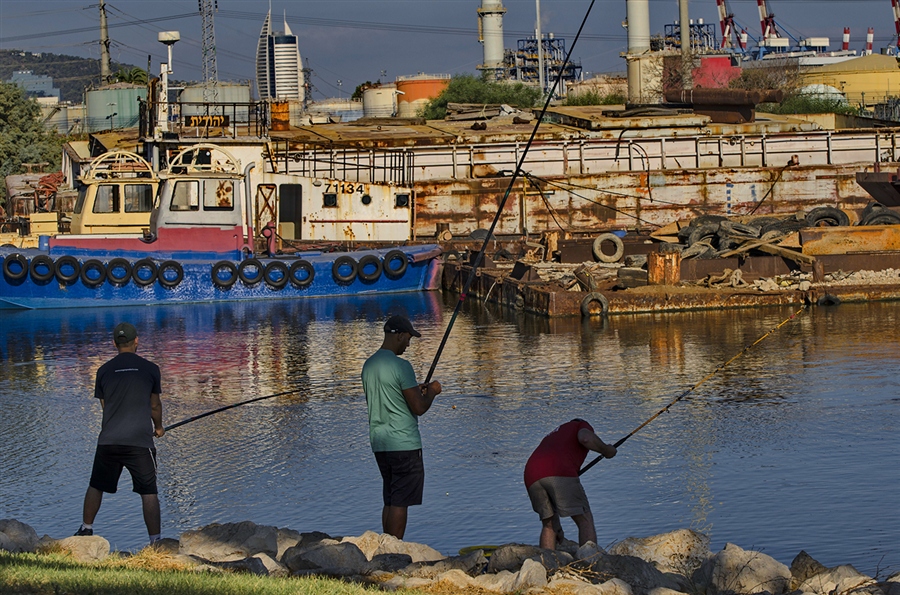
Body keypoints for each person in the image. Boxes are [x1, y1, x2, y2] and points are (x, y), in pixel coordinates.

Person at [75, 322, 165, 544]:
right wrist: (159, 427)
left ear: (115, 343)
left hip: (109, 441)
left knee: (96, 485)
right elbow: (154, 406)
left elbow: (106, 406)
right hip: (140, 442)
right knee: (149, 492)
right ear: (136, 341)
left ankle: (86, 529)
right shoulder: (151, 368)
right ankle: (155, 541)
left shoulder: (103, 370)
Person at [361, 315, 442, 539]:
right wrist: (432, 391)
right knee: (400, 501)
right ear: (399, 335)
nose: (408, 344)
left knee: (390, 497)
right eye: (408, 338)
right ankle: (394, 548)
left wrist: (415, 388)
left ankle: (384, 547)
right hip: (404, 443)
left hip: (380, 442)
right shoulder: (401, 366)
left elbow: (391, 394)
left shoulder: (369, 365)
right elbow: (419, 407)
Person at [524, 418, 617, 550]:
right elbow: (585, 438)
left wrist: (558, 528)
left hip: (531, 475)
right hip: (558, 471)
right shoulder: (580, 425)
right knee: (584, 520)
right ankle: (589, 561)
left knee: (549, 525)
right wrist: (607, 450)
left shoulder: (556, 434)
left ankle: (547, 566)